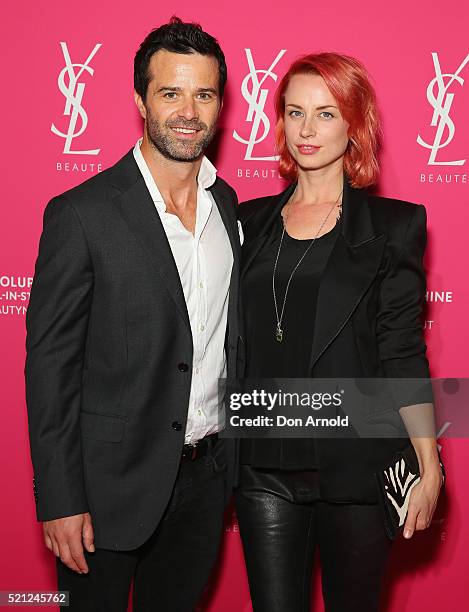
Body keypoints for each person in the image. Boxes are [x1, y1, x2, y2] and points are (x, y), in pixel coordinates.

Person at [24, 17, 242, 612]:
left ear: (221, 105)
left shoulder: (228, 205)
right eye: (170, 92)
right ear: (140, 98)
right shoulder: (82, 213)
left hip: (203, 479)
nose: (188, 111)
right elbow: (51, 367)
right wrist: (60, 497)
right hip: (103, 488)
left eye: (203, 94)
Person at [234, 53, 444, 612]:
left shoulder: (393, 227)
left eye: (326, 114)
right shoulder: (244, 223)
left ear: (354, 123)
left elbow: (401, 349)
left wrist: (429, 462)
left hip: (356, 461)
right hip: (263, 463)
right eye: (295, 112)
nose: (306, 130)